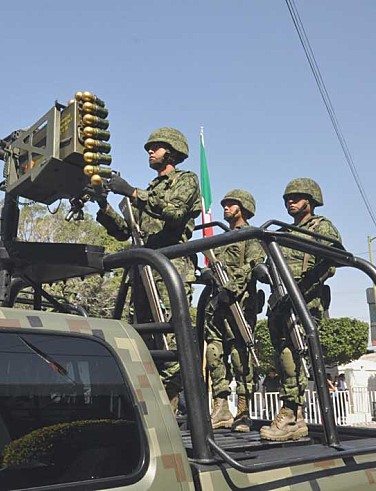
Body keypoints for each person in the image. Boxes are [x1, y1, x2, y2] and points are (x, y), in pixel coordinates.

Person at [95, 127, 201, 412]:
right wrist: (103, 204)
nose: (150, 152)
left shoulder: (186, 180)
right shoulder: (150, 190)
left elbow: (174, 213)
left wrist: (131, 191)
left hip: (170, 268)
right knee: (142, 337)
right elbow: (126, 232)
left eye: (156, 147)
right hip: (143, 271)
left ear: (172, 151)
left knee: (170, 336)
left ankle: (168, 402)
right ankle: (149, 401)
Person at [261, 178, 342, 442]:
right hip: (281, 304)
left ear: (310, 200)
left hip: (304, 303)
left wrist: (302, 286)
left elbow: (333, 258)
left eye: (296, 197)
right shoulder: (283, 233)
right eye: (287, 198)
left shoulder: (321, 227)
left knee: (291, 357)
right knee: (284, 356)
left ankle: (291, 412)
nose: (290, 202)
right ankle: (296, 418)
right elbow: (267, 264)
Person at [205, 189, 265, 432]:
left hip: (240, 304)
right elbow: (212, 265)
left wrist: (229, 288)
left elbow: (253, 265)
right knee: (214, 353)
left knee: (241, 359)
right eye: (225, 204)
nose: (226, 208)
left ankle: (243, 410)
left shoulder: (251, 236)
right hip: (217, 306)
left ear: (243, 207)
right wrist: (208, 276)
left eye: (231, 204)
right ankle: (220, 407)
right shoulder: (221, 240)